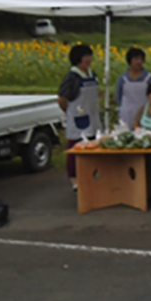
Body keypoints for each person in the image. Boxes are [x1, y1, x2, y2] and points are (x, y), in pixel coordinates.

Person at [57, 44, 101, 191]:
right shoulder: (72, 77)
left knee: (92, 147)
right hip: (77, 118)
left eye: (89, 56)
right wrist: (71, 112)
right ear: (77, 59)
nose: (88, 59)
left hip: (92, 117)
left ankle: (90, 176)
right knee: (75, 149)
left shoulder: (92, 74)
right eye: (85, 57)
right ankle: (75, 180)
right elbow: (62, 99)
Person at [115, 47, 151, 129]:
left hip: (144, 112)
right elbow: (118, 95)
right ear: (130, 61)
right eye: (136, 59)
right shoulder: (123, 78)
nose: (139, 62)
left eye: (141, 59)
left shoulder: (149, 78)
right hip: (126, 113)